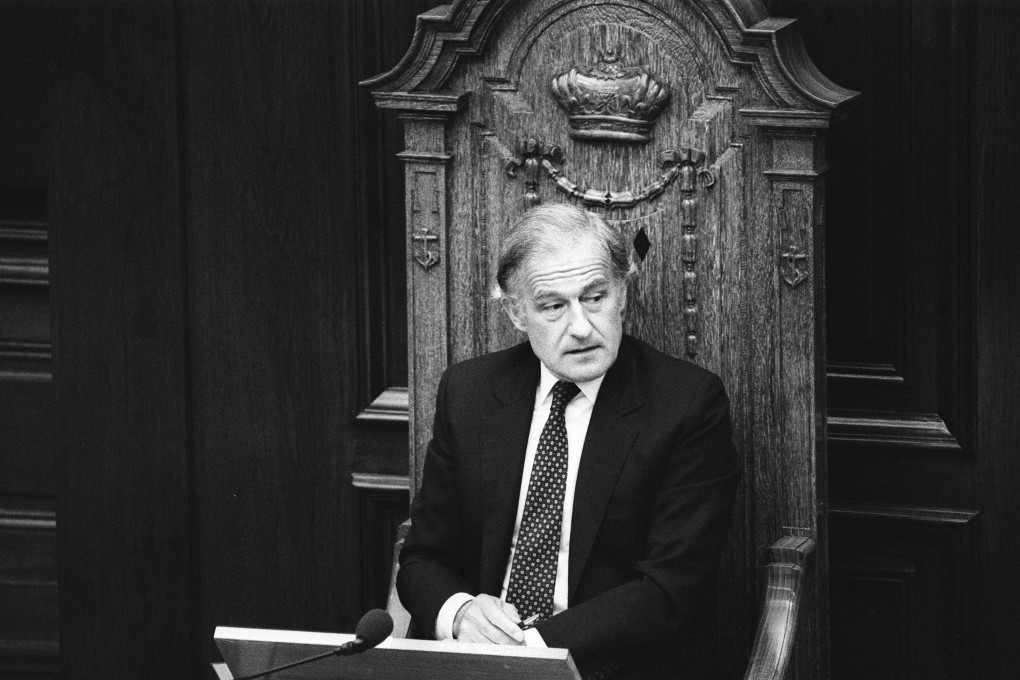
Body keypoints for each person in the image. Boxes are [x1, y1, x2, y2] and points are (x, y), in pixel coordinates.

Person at [397, 203, 740, 680]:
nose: (580, 327)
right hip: (473, 662)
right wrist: (459, 613)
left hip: (609, 665)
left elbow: (673, 586)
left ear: (621, 293)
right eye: (554, 306)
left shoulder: (686, 403)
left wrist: (530, 652)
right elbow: (423, 557)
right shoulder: (469, 392)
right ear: (516, 312)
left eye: (594, 297)